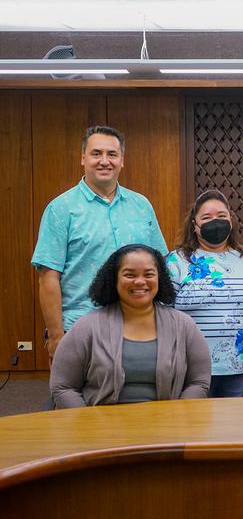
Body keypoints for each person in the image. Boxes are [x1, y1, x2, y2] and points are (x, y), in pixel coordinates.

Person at [32, 125, 168, 363]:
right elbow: (48, 277)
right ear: (82, 158)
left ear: (122, 160)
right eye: (96, 154)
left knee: (140, 398)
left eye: (112, 154)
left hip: (140, 329)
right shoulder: (61, 209)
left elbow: (161, 265)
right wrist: (55, 336)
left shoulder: (141, 205)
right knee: (79, 399)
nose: (104, 161)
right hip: (80, 329)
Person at [49, 244, 210, 408]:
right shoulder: (86, 327)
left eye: (148, 274)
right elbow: (63, 387)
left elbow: (198, 382)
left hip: (168, 426)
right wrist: (87, 425)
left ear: (159, 278)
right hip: (100, 428)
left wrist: (179, 417)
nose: (140, 281)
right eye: (129, 275)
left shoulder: (184, 325)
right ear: (114, 279)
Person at [166, 190, 243, 398]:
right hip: (191, 367)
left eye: (221, 216)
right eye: (206, 218)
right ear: (195, 225)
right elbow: (162, 313)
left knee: (233, 427)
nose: (215, 222)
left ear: (231, 220)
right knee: (195, 428)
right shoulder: (177, 261)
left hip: (238, 367)